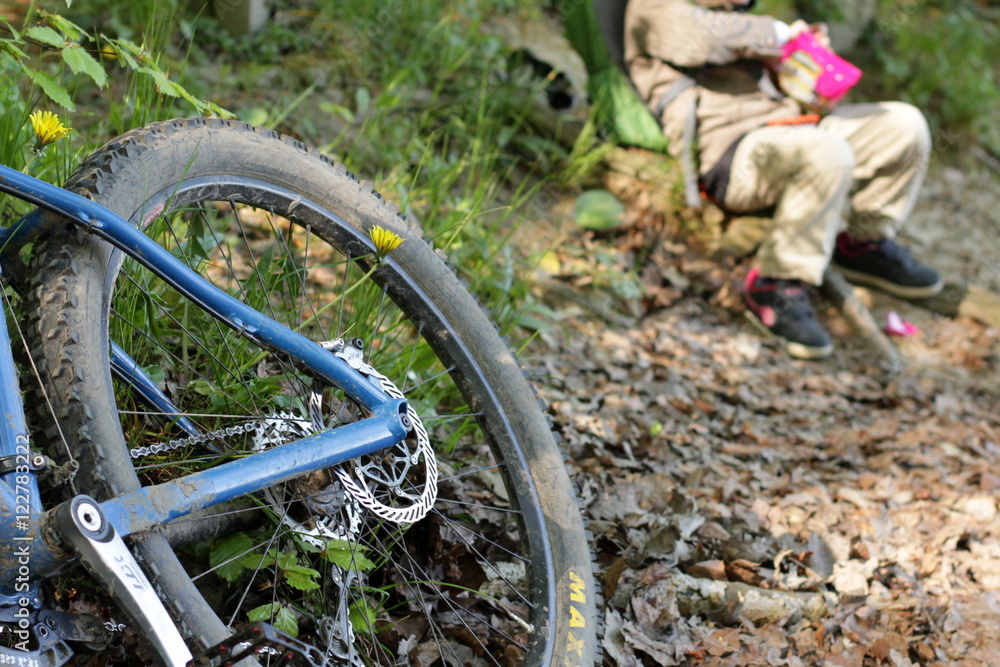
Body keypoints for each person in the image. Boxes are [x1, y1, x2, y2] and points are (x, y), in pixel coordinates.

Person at [623, 0, 942, 359]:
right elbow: (697, 37)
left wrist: (805, 59)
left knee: (903, 125)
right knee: (826, 151)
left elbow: (797, 87)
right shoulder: (653, 6)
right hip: (731, 151)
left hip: (794, 126)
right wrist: (778, 34)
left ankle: (862, 241)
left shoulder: (737, 20)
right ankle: (776, 282)